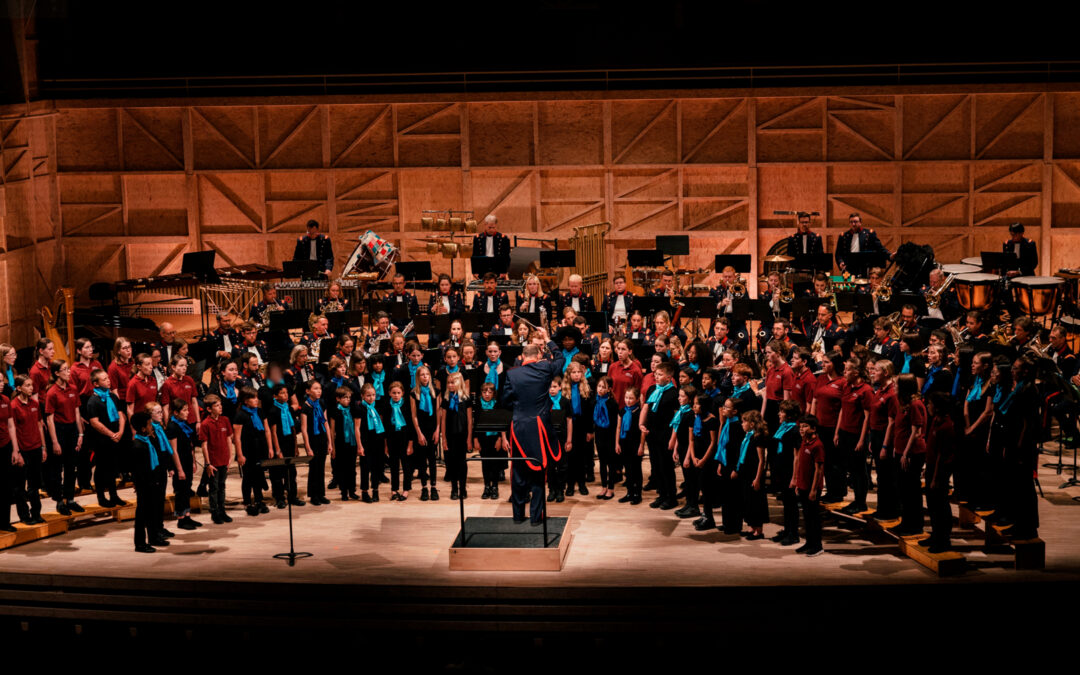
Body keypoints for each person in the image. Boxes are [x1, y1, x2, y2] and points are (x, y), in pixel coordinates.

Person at [501, 337, 567, 522]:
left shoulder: (512, 374)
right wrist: (548, 340)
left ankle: (518, 516)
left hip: (519, 427)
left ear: (522, 357)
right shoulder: (545, 368)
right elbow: (561, 359)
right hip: (538, 428)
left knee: (518, 473)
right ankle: (536, 517)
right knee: (538, 473)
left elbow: (505, 401)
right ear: (538, 355)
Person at [44, 360, 84, 515]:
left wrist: (80, 433)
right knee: (57, 469)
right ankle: (59, 501)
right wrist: (54, 442)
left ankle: (70, 499)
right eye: (65, 370)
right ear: (56, 373)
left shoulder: (73, 388)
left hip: (72, 429)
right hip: (59, 430)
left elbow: (77, 413)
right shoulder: (52, 392)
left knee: (71, 467)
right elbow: (49, 419)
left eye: (68, 369)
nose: (68, 372)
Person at [890, 373, 927, 536]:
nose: (894, 387)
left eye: (896, 385)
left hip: (912, 453)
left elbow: (916, 431)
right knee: (903, 490)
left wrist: (905, 454)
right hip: (901, 451)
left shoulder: (915, 404)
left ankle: (915, 525)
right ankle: (906, 522)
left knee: (911, 490)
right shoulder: (902, 403)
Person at [835, 357, 873, 514]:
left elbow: (867, 417)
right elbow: (842, 409)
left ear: (856, 372)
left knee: (858, 471)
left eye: (847, 370)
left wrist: (862, 439)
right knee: (848, 469)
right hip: (844, 432)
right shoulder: (846, 386)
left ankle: (861, 502)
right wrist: (837, 431)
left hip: (857, 435)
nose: (844, 372)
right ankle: (854, 501)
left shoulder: (866, 390)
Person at [130, 411, 169, 553]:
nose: (151, 426)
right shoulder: (138, 446)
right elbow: (138, 470)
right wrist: (148, 483)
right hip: (145, 485)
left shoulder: (147, 441)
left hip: (153, 483)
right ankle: (140, 543)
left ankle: (153, 537)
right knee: (142, 514)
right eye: (149, 424)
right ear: (143, 428)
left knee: (152, 511)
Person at [810, 353, 846, 503]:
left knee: (835, 461)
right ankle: (830, 490)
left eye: (826, 362)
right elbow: (815, 400)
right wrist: (811, 421)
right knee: (824, 460)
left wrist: (837, 431)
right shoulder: (821, 378)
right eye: (822, 362)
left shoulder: (843, 382)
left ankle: (837, 492)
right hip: (820, 425)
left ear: (834, 364)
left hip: (833, 426)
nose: (822, 365)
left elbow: (844, 408)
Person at [643, 361, 679, 510]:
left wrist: (673, 439)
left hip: (665, 434)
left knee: (666, 467)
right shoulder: (653, 389)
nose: (656, 377)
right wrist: (642, 424)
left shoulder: (673, 393)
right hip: (653, 433)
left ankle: (671, 497)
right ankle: (662, 494)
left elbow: (677, 418)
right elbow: (647, 408)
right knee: (656, 465)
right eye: (655, 374)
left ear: (669, 377)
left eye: (660, 374)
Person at [86, 369, 124, 508]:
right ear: (96, 384)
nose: (108, 380)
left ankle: (114, 495)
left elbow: (121, 414)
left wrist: (120, 431)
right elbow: (95, 422)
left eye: (108, 378)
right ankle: (101, 496)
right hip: (101, 440)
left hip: (116, 436)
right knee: (102, 468)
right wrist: (111, 434)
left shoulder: (113, 397)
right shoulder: (93, 401)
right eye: (104, 379)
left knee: (113, 467)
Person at [923, 392, 956, 553]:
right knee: (932, 505)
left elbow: (942, 456)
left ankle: (944, 540)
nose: (927, 406)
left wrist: (935, 477)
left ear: (936, 407)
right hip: (931, 468)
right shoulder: (935, 421)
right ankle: (935, 534)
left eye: (929, 404)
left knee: (940, 505)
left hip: (940, 470)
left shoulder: (946, 426)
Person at [10, 376, 46, 525]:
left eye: (32, 385)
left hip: (36, 447)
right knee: (20, 485)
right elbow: (13, 430)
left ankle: (36, 513)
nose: (31, 388)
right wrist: (17, 452)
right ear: (19, 388)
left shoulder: (35, 403)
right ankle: (24, 515)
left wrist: (43, 447)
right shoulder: (13, 406)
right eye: (27, 385)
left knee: (35, 484)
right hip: (23, 450)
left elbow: (39, 425)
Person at [199, 393, 238, 524]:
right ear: (209, 409)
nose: (220, 407)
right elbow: (204, 445)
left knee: (222, 486)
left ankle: (222, 510)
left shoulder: (225, 420)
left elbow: (228, 439)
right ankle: (214, 511)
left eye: (220, 405)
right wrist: (208, 463)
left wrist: (230, 457)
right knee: (214, 488)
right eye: (217, 405)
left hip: (224, 460)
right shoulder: (205, 424)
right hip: (213, 462)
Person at [792, 415, 826, 556]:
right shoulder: (804, 442)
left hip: (812, 488)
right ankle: (809, 542)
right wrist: (797, 482)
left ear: (813, 428)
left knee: (813, 518)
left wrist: (813, 490)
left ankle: (817, 546)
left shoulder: (817, 445)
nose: (801, 429)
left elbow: (818, 470)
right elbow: (800, 464)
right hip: (803, 485)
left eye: (805, 426)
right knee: (806, 517)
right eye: (800, 426)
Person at [771, 399, 803, 546]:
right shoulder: (783, 427)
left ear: (789, 415)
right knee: (785, 502)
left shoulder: (795, 430)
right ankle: (787, 529)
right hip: (781, 468)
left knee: (791, 503)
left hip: (790, 470)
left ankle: (793, 533)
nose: (779, 414)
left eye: (782, 411)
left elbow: (797, 456)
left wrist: (795, 477)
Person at [232, 388, 268, 515]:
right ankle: (247, 501)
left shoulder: (259, 411)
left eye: (257, 397)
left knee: (258, 475)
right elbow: (237, 438)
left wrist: (269, 448)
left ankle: (259, 500)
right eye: (253, 398)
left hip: (260, 448)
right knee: (248, 477)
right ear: (246, 401)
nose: (256, 400)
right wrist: (240, 454)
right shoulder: (240, 415)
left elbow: (266, 430)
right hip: (247, 450)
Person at [267, 384, 304, 509]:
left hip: (289, 444)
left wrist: (296, 447)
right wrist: (278, 450)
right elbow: (273, 432)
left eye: (286, 392)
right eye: (282, 393)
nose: (286, 395)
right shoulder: (273, 410)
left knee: (291, 473)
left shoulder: (288, 408)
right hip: (279, 445)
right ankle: (279, 498)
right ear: (275, 396)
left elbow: (293, 428)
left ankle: (292, 497)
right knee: (277, 474)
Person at [166, 398, 201, 529]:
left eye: (188, 410)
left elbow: (190, 445)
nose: (187, 413)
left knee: (187, 490)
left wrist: (193, 461)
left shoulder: (184, 424)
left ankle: (187, 516)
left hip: (187, 460)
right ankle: (181, 519)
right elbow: (173, 450)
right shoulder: (172, 427)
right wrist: (179, 469)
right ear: (176, 412)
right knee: (181, 491)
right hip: (178, 463)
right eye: (184, 410)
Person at [734, 410, 769, 540]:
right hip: (745, 473)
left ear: (752, 424)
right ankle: (751, 527)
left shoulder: (758, 438)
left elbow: (761, 460)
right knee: (747, 501)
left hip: (754, 474)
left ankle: (758, 530)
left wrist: (758, 478)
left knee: (755, 502)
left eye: (744, 422)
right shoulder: (748, 436)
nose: (742, 424)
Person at [687, 393, 720, 529]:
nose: (694, 406)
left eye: (697, 403)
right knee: (700, 486)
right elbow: (691, 439)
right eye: (693, 403)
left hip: (707, 459)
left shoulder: (712, 420)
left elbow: (713, 443)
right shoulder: (694, 418)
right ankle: (705, 515)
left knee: (707, 489)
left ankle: (709, 518)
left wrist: (703, 460)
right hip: (697, 457)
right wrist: (693, 457)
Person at [714, 397, 745, 534]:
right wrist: (720, 463)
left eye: (727, 407)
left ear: (735, 411)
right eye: (724, 406)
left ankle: (735, 525)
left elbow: (738, 450)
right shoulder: (727, 423)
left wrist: (735, 469)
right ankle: (727, 523)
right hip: (725, 463)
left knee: (734, 497)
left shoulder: (737, 426)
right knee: (725, 496)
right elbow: (722, 446)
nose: (723, 409)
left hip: (733, 465)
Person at [410, 365, 441, 501]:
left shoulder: (436, 392)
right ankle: (424, 487)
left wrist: (437, 429)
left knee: (432, 460)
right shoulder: (413, 393)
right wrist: (418, 433)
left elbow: (439, 413)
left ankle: (433, 487)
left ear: (430, 376)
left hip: (432, 429)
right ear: (418, 377)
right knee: (422, 461)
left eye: (427, 374)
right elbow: (414, 415)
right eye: (422, 375)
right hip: (421, 430)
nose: (425, 377)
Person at [563, 361, 594, 497]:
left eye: (578, 372)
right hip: (568, 427)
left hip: (582, 426)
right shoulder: (564, 390)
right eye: (573, 373)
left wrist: (590, 430)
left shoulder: (586, 389)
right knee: (570, 457)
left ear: (582, 373)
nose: (576, 375)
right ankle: (570, 485)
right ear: (569, 374)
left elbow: (589, 413)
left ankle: (581, 483)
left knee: (582, 457)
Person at [440, 373, 472, 501]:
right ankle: (454, 488)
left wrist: (469, 438)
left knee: (462, 463)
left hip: (462, 435)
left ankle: (463, 488)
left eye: (452, 382)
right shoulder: (446, 400)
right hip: (450, 436)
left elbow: (470, 421)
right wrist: (444, 439)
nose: (450, 385)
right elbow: (443, 421)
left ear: (459, 383)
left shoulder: (466, 400)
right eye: (448, 383)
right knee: (452, 463)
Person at [300, 380, 332, 506]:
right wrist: (307, 447)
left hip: (322, 438)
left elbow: (325, 422)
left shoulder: (322, 403)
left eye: (320, 388)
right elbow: (303, 429)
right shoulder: (306, 407)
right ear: (308, 391)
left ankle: (321, 494)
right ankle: (313, 495)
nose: (319, 391)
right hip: (313, 440)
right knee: (314, 468)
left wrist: (330, 442)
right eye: (315, 388)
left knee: (321, 467)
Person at [835, 212, 890, 277]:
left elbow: (880, 248)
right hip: (849, 268)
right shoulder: (844, 236)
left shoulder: (869, 234)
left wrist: (890, 255)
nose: (853, 224)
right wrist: (841, 262)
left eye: (855, 222)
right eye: (851, 222)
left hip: (865, 269)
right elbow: (838, 253)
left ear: (860, 222)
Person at [670, 385, 696, 518]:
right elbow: (679, 432)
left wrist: (687, 457)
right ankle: (688, 504)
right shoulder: (682, 411)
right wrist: (675, 448)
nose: (679, 398)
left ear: (690, 399)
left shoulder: (691, 414)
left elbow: (691, 438)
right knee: (687, 479)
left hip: (688, 450)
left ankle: (693, 506)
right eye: (679, 395)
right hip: (681, 447)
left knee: (691, 479)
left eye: (682, 396)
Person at [615, 385, 643, 505]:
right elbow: (618, 427)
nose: (628, 400)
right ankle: (629, 492)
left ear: (637, 399)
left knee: (636, 469)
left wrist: (642, 445)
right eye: (626, 398)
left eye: (631, 398)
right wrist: (617, 443)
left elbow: (642, 431)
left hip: (635, 444)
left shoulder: (640, 412)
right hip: (624, 442)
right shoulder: (622, 411)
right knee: (628, 469)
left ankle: (637, 494)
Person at [383, 381, 410, 501]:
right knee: (394, 465)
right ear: (389, 393)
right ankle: (394, 489)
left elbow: (410, 426)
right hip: (391, 438)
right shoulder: (387, 406)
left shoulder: (406, 406)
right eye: (393, 393)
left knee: (406, 465)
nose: (396, 395)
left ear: (402, 393)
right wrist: (385, 444)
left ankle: (406, 489)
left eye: (398, 393)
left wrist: (410, 443)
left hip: (404, 437)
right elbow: (384, 426)